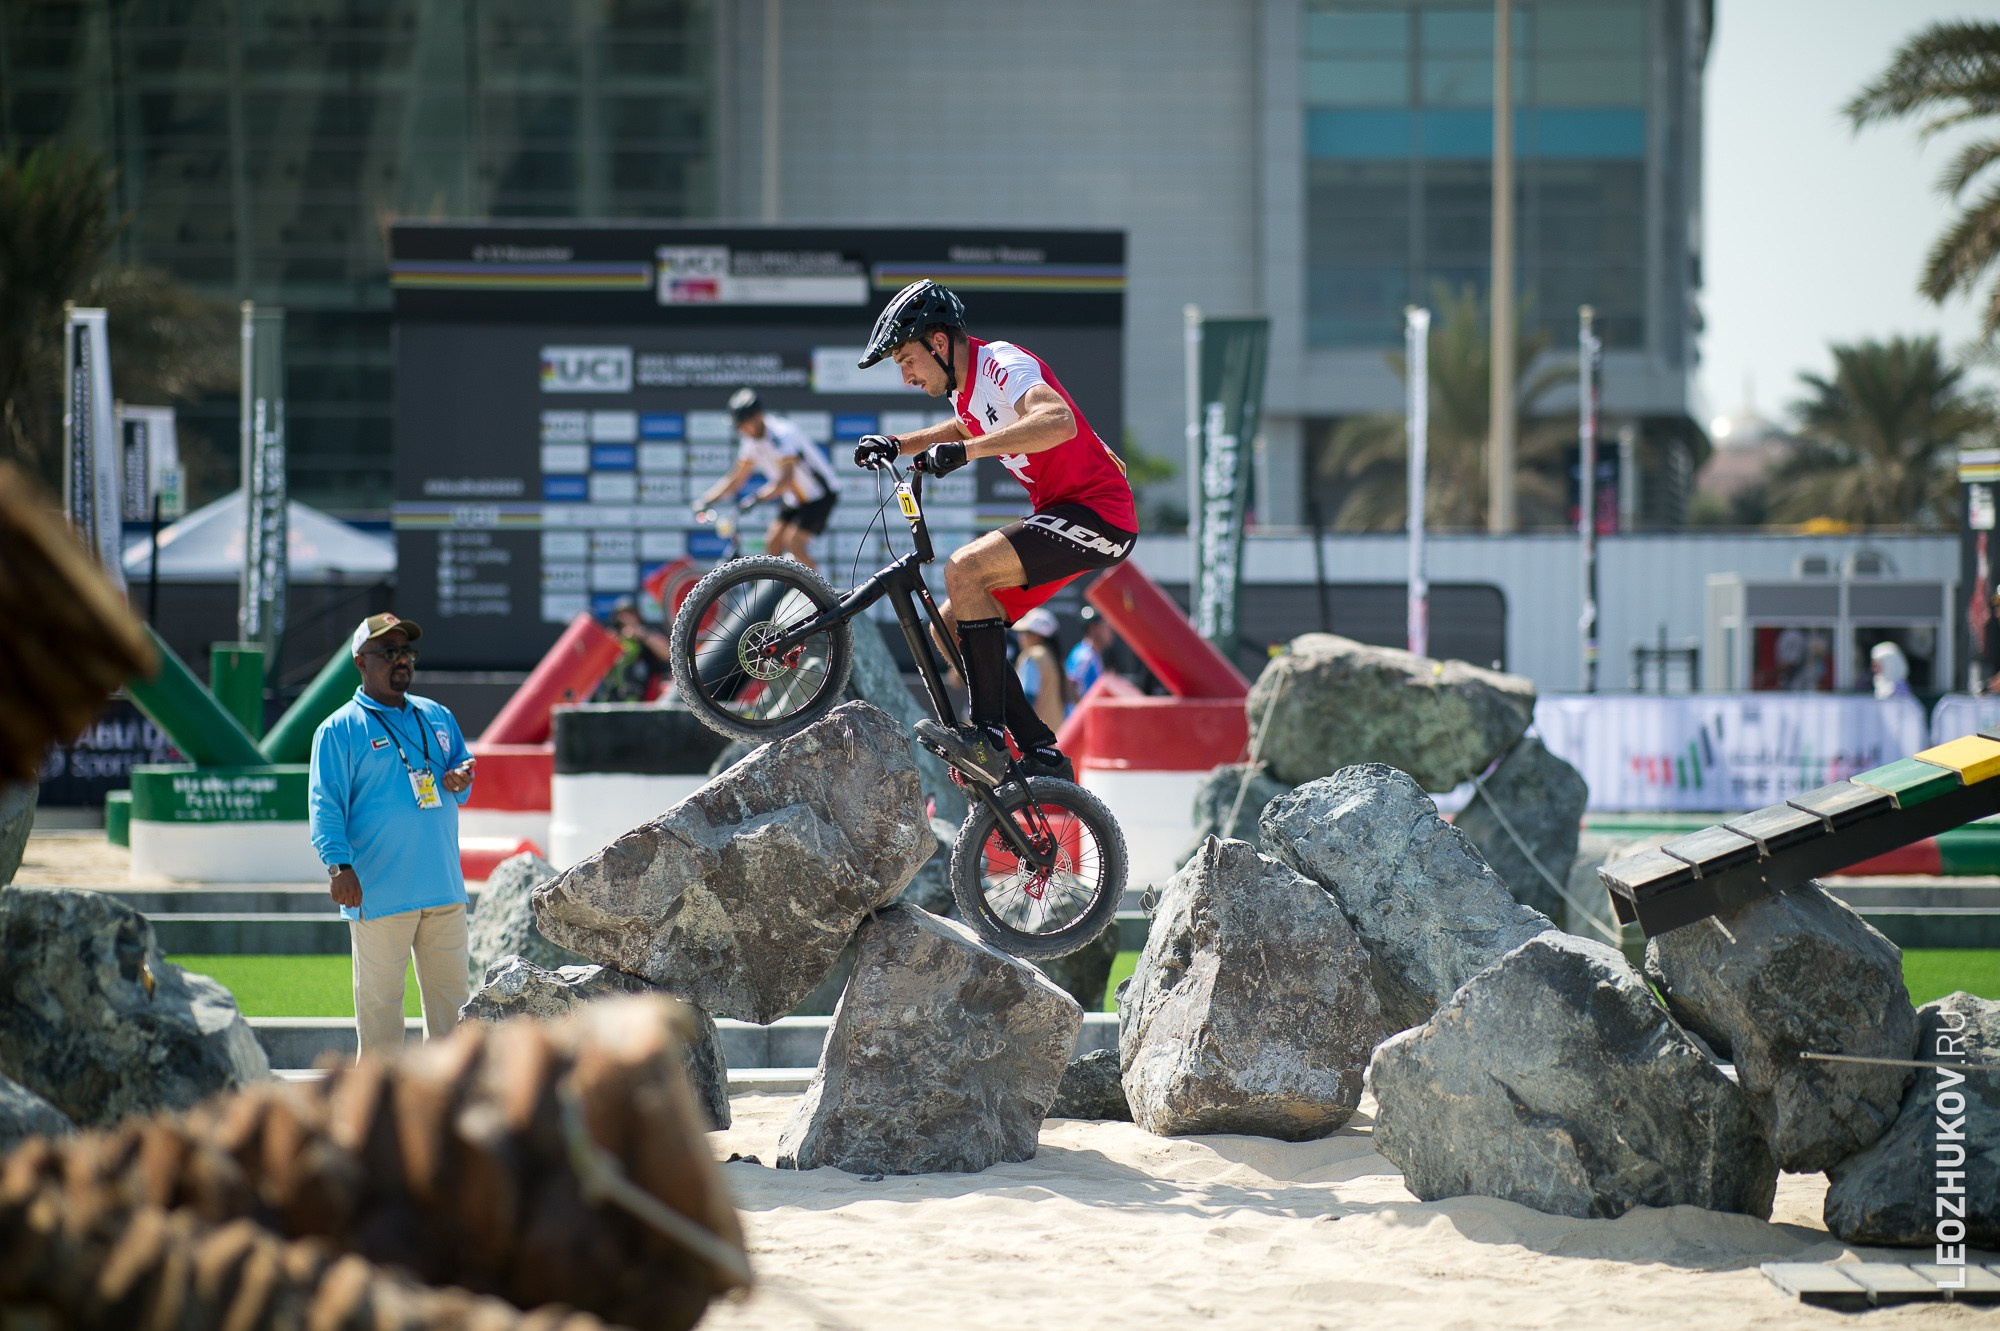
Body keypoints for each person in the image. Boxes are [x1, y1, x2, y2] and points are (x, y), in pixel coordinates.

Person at [850, 279, 1137, 786]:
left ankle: (984, 735)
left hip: (1099, 514)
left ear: (938, 343)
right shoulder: (966, 391)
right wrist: (897, 444)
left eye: (907, 360)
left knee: (965, 567)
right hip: (1062, 513)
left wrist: (969, 453)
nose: (907, 376)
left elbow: (1058, 419)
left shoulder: (1000, 363)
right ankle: (1039, 749)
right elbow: (965, 427)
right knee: (949, 622)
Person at [308, 613, 476, 1062]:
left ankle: (446, 1114)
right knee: (381, 1015)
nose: (401, 660)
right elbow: (325, 804)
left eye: (407, 652)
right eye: (389, 652)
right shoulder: (338, 729)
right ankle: (378, 1121)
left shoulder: (437, 715)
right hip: (379, 892)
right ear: (361, 661)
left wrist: (462, 777)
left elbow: (463, 763)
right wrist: (338, 866)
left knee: (454, 1011)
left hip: (443, 888)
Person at [695, 387, 841, 571]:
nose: (740, 430)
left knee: (794, 543)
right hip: (796, 498)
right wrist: (706, 499)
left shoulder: (782, 435)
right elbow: (736, 479)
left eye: (742, 424)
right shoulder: (751, 442)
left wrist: (756, 498)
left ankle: (823, 595)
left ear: (756, 417)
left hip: (820, 494)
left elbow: (785, 481)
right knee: (772, 543)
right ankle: (779, 595)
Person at [599, 595, 672, 701]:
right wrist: (613, 642)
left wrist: (641, 634)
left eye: (631, 614)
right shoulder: (611, 637)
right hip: (613, 697)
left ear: (638, 616)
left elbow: (668, 654)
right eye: (622, 616)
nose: (626, 619)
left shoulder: (647, 635)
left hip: (643, 696)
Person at [1012, 606, 1069, 736]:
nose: (1021, 637)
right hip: (1056, 735)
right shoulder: (1052, 657)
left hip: (1036, 738)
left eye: (1026, 632)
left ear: (1037, 636)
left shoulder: (1034, 656)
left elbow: (1027, 699)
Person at [1065, 604, 1116, 703]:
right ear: (1094, 628)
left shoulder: (1093, 654)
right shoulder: (1085, 656)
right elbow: (1072, 689)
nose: (1111, 632)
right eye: (1107, 627)